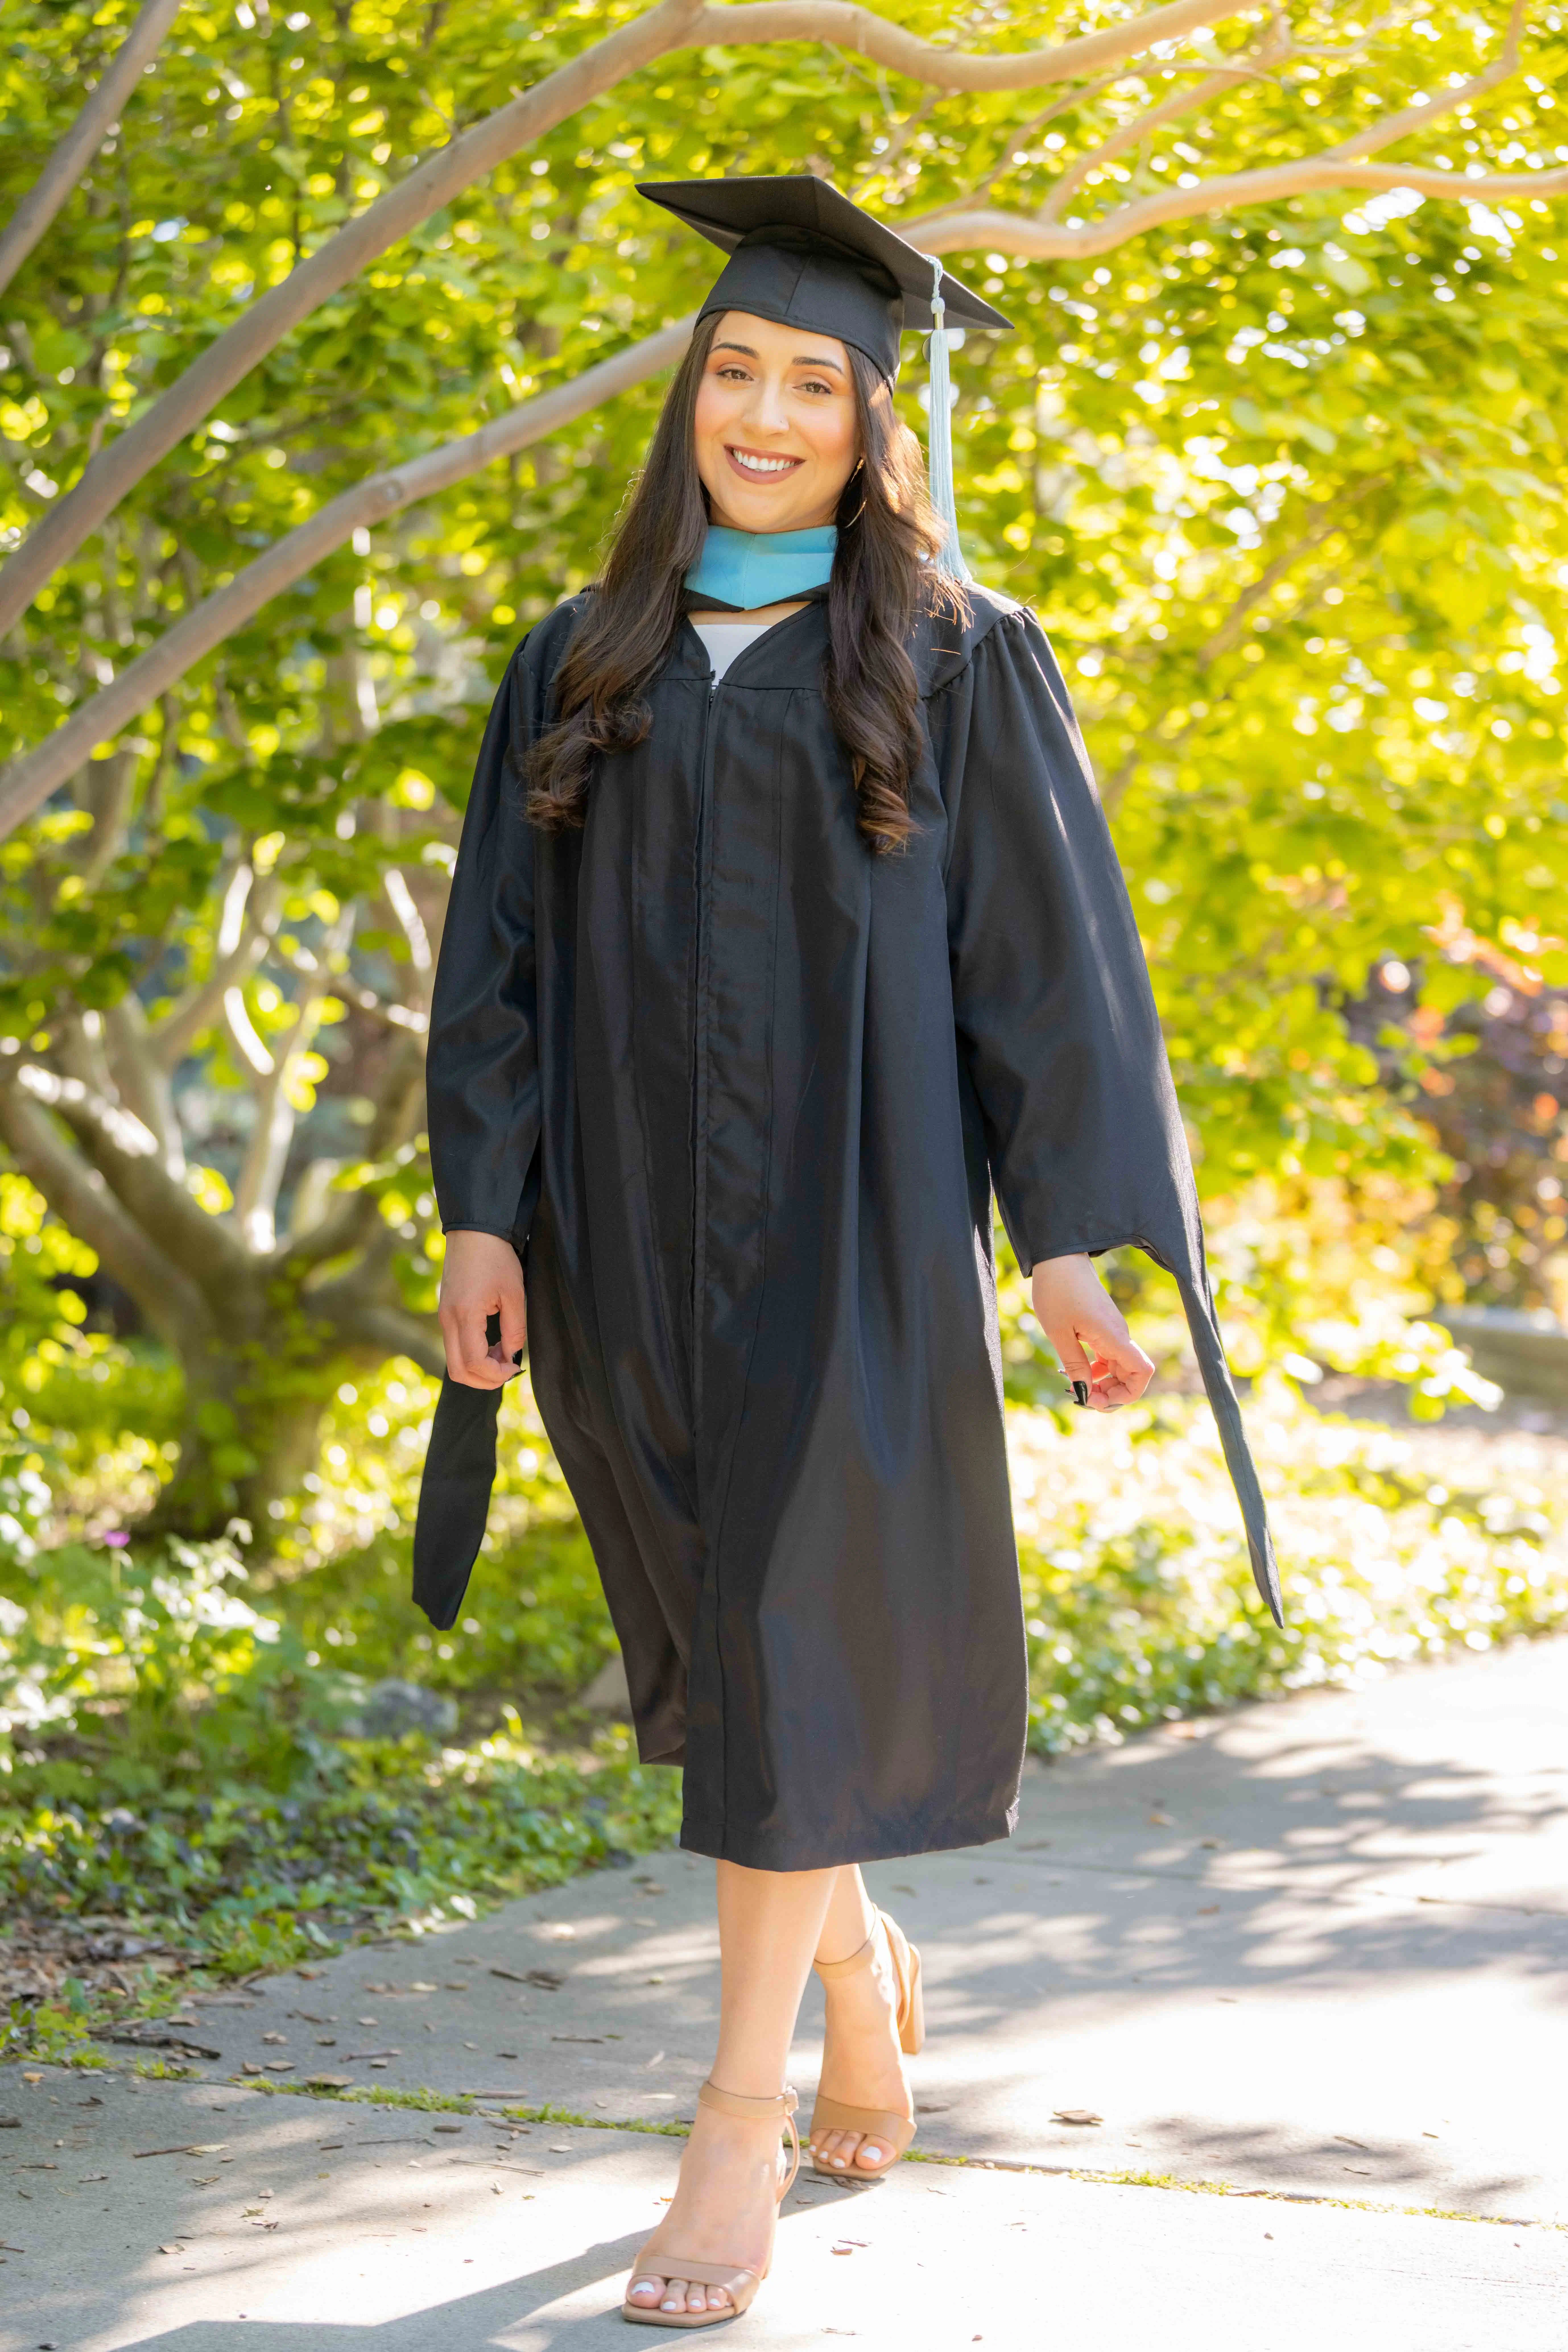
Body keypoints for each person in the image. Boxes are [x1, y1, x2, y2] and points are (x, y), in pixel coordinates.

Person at [416, 175, 1282, 2329]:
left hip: (857, 1234)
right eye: (736, 371)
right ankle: (867, 1977)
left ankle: (731, 2117)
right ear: (685, 400)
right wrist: (478, 1205)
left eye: (817, 381)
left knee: (793, 1641)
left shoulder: (956, 661)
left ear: (874, 420)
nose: (769, 412)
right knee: (732, 1660)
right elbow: (494, 969)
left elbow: (1042, 972)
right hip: (621, 1234)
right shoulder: (581, 657)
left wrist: (1068, 1256)